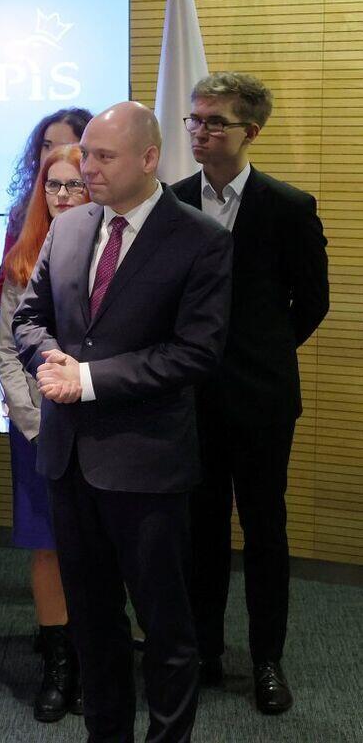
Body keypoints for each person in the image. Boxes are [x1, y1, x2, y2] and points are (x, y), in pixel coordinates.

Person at [12, 101, 233, 742]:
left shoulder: (201, 239)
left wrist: (86, 380)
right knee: (92, 623)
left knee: (165, 629)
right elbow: (28, 318)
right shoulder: (69, 226)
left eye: (103, 156)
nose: (88, 167)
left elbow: (195, 353)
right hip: (69, 462)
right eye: (85, 153)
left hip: (147, 465)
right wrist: (50, 358)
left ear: (149, 157)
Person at [172, 72, 329, 714]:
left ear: (250, 132)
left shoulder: (289, 206)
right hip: (190, 398)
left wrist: (260, 353)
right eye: (195, 119)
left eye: (216, 122)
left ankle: (267, 658)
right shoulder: (172, 200)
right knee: (200, 528)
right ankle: (204, 650)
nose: (200, 131)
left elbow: (312, 302)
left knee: (265, 529)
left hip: (262, 399)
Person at [0, 144, 88, 722]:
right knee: (47, 548)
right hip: (35, 430)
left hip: (98, 425)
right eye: (54, 185)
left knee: (95, 549)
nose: (63, 195)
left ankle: (91, 658)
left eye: (75, 184)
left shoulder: (112, 250)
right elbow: (6, 350)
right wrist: (31, 423)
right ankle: (58, 666)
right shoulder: (21, 259)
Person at [0, 108, 93, 299]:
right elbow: (4, 285)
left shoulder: (107, 219)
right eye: (47, 146)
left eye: (65, 146)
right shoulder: (21, 214)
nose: (51, 154)